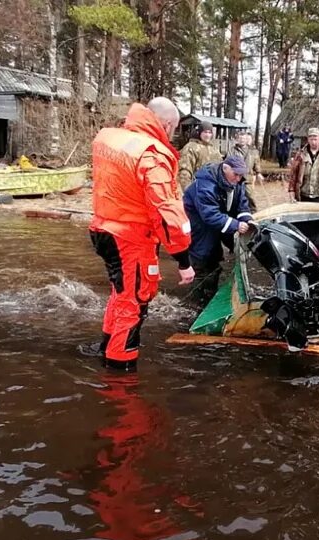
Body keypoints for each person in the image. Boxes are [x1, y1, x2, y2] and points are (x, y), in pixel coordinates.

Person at [82, 98, 195, 371]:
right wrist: (183, 261)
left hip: (103, 228)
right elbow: (168, 215)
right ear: (167, 124)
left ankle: (105, 346)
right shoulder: (152, 156)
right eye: (175, 128)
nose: (173, 134)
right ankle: (120, 371)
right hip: (130, 239)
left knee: (121, 293)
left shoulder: (112, 139)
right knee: (134, 301)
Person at [184, 154, 256, 304]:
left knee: (215, 258)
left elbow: (242, 204)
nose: (238, 178)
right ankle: (195, 301)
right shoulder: (205, 185)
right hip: (199, 225)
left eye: (241, 175)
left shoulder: (237, 182)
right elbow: (209, 215)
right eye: (235, 174)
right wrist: (236, 225)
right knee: (200, 258)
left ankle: (210, 294)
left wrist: (247, 220)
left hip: (220, 220)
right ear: (225, 168)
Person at [287, 127, 319, 205]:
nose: (313, 142)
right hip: (303, 195)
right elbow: (294, 174)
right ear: (308, 139)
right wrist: (291, 190)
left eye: (315, 139)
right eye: (311, 139)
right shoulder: (300, 155)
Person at [177, 121, 223, 189]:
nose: (207, 135)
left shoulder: (215, 150)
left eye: (209, 132)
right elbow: (184, 171)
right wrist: (188, 191)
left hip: (212, 190)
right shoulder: (191, 147)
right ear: (199, 132)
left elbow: (220, 169)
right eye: (205, 132)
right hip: (196, 188)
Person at [229, 131, 263, 211]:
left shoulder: (253, 151)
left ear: (246, 139)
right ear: (237, 139)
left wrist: (258, 173)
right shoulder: (232, 150)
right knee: (235, 198)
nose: (242, 140)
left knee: (251, 197)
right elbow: (228, 162)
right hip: (236, 179)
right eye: (240, 138)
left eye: (243, 138)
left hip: (248, 178)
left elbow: (256, 163)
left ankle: (254, 212)